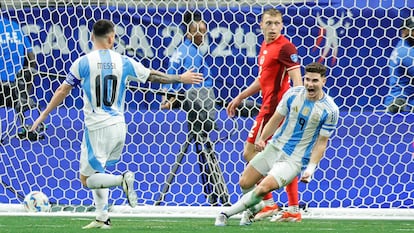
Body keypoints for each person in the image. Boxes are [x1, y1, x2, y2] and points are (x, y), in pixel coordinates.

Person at [29, 19, 203, 229]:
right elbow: (152, 76)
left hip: (96, 127)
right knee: (100, 172)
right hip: (119, 126)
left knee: (86, 179)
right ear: (112, 39)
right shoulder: (123, 61)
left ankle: (122, 180)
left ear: (91, 37)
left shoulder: (83, 62)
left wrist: (42, 116)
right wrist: (179, 78)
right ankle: (103, 217)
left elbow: (62, 91)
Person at [215, 62, 339, 226]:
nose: (309, 84)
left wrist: (310, 168)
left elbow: (322, 143)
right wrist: (262, 138)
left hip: (294, 159)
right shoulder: (293, 95)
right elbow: (276, 119)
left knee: (263, 187)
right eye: (307, 79)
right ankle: (256, 206)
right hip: (274, 147)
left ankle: (225, 214)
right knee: (245, 182)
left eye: (315, 81)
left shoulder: (330, 110)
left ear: (324, 81)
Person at [226, 8, 303, 222]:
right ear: (261, 25)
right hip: (266, 108)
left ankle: (271, 204)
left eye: (276, 23)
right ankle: (290, 207)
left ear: (282, 25)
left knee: (251, 153)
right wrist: (240, 96)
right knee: (275, 158)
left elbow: (297, 81)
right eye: (268, 23)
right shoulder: (265, 46)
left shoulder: (286, 47)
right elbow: (264, 80)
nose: (272, 28)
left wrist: (295, 112)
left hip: (276, 111)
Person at [161, 11, 224, 205]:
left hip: (197, 105)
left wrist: (169, 95)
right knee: (204, 147)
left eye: (205, 31)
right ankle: (215, 195)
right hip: (198, 107)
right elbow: (181, 77)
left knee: (201, 147)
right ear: (189, 31)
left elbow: (172, 73)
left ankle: (213, 194)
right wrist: (171, 97)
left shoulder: (185, 50)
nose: (203, 35)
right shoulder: (190, 53)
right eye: (200, 31)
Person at [0, 16, 37, 140]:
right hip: (18, 87)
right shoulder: (15, 26)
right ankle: (26, 121)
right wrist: (26, 90)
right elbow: (32, 58)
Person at [384, 16, 414, 113]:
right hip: (403, 105)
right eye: (413, 30)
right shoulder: (406, 52)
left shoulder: (403, 44)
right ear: (404, 32)